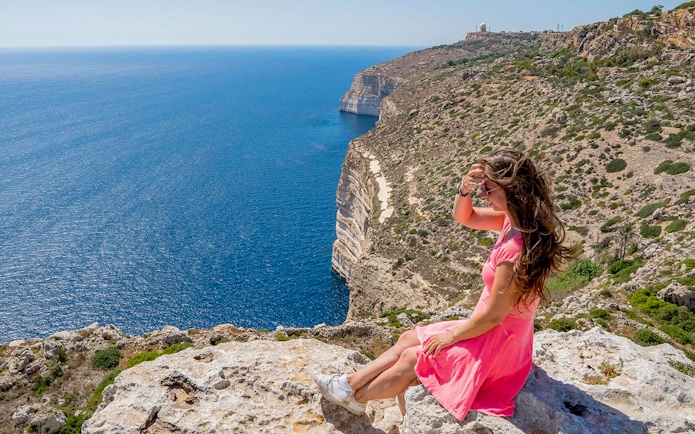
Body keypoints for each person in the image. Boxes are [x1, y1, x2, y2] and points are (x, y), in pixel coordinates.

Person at [311, 147, 575, 419]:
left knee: (413, 357)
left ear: (512, 189)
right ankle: (349, 384)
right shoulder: (517, 222)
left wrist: (451, 337)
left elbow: (496, 315)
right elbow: (466, 217)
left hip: (497, 345)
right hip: (492, 332)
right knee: (409, 337)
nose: (483, 195)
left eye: (488, 189)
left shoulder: (515, 248)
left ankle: (355, 397)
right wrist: (464, 190)